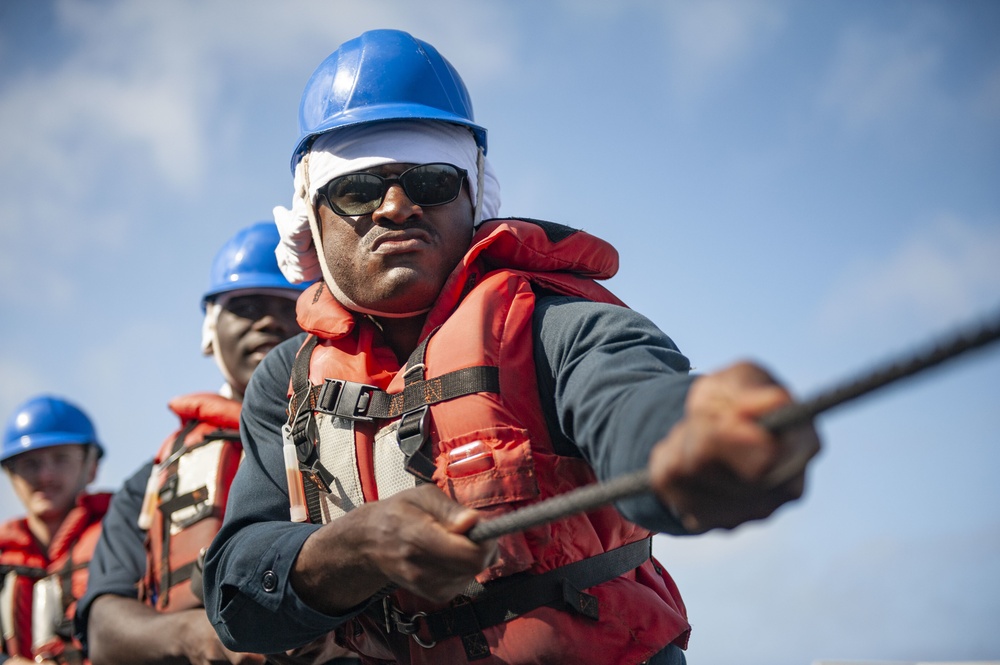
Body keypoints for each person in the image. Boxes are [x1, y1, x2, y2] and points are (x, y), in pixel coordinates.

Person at [203, 29, 822, 665]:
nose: (395, 207)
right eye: (357, 190)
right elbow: (236, 600)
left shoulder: (558, 325)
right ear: (311, 215)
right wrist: (355, 548)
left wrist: (688, 429)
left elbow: (634, 402)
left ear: (473, 198)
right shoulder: (285, 380)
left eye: (431, 183)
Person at [74, 222, 356, 665]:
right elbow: (103, 632)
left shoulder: (365, 440)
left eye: (290, 306)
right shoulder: (149, 483)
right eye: (244, 306)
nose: (267, 321)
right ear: (210, 329)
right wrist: (201, 636)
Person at [1, 395, 109, 665]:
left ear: (92, 467)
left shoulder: (125, 537)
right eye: (30, 463)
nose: (45, 476)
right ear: (10, 474)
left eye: (60, 459)